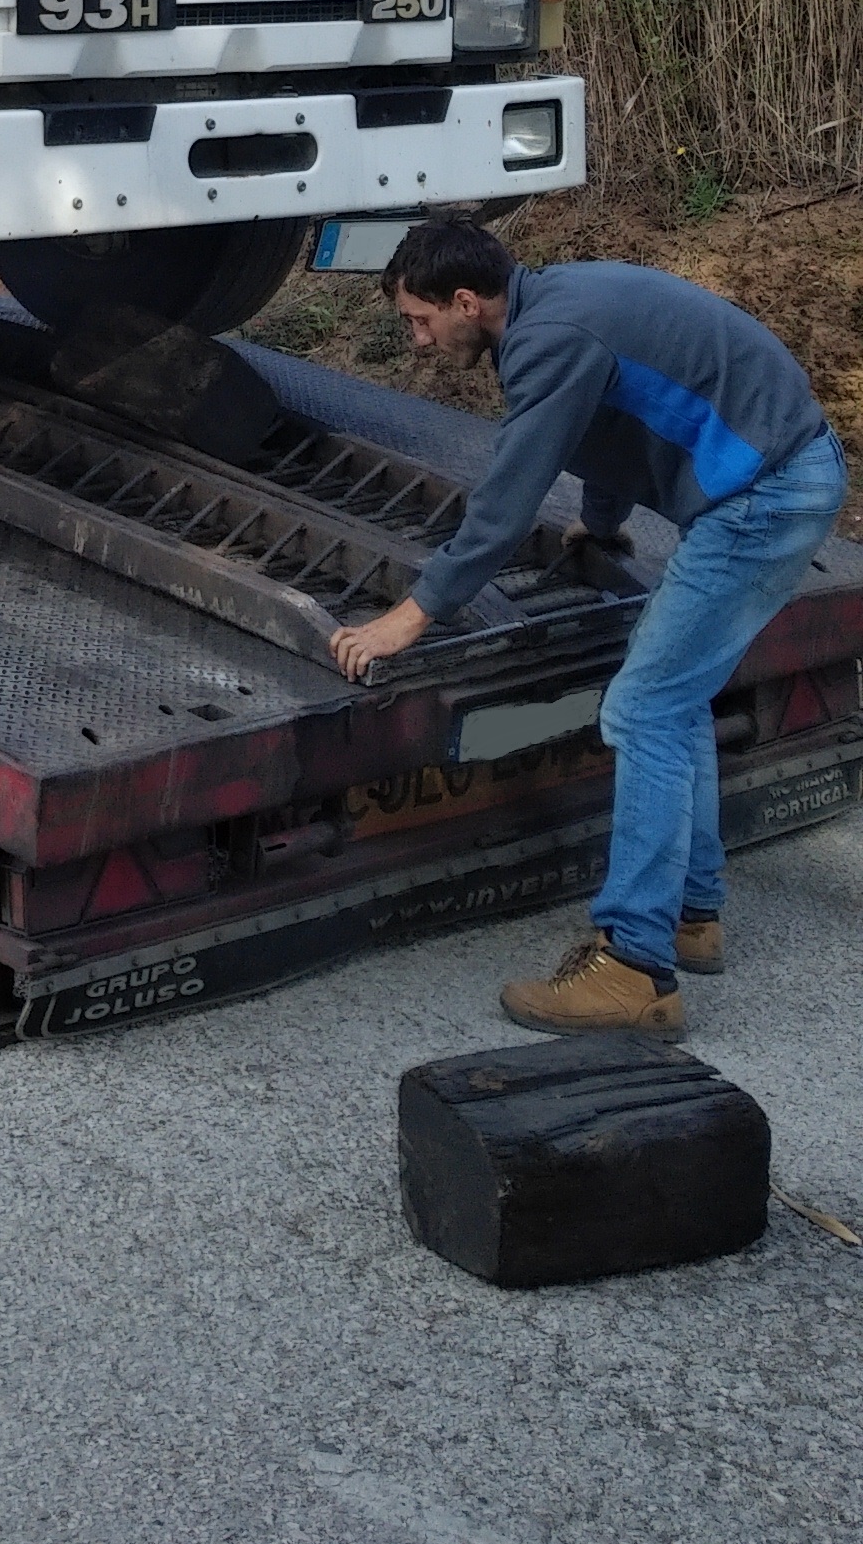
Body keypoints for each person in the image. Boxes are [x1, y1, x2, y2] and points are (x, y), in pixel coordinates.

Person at [332, 219, 848, 1033]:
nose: (420, 341)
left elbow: (505, 504)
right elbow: (608, 430)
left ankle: (633, 968)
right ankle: (691, 914)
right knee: (673, 701)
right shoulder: (556, 309)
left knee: (641, 709)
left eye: (420, 320)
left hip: (764, 500)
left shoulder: (549, 339)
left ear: (466, 301)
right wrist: (603, 526)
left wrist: (411, 615)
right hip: (784, 477)